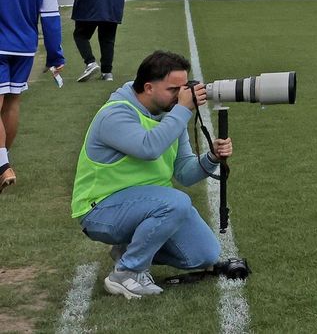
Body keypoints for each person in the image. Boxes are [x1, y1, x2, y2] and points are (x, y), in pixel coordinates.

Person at [72, 50, 233, 299]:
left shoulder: (171, 114)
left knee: (204, 254)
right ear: (148, 87)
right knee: (176, 202)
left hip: (145, 206)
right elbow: (149, 148)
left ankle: (128, 250)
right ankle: (126, 272)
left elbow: (185, 173)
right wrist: (182, 111)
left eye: (183, 88)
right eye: (173, 89)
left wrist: (211, 157)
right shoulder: (115, 114)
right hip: (100, 210)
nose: (182, 95)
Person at [0, 0, 66, 193]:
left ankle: (3, 166)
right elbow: (51, 18)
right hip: (25, 48)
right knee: (12, 103)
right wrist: (55, 56)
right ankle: (3, 161)